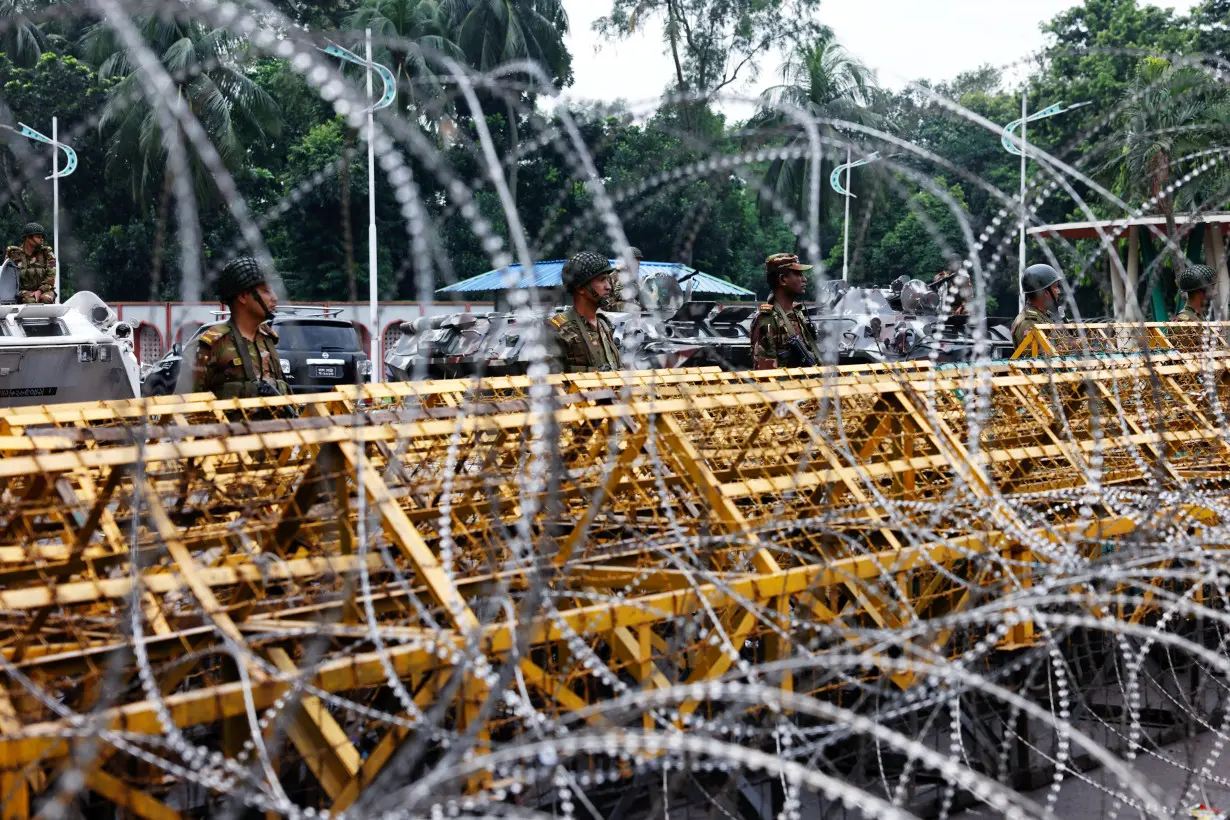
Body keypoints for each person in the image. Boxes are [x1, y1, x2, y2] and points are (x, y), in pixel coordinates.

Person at [187, 256, 289, 398]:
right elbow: (187, 406)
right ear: (243, 296)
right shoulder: (211, 345)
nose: (275, 298)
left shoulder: (268, 340)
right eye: (266, 291)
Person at [546, 251, 622, 372]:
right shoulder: (559, 328)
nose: (608, 287)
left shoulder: (603, 325)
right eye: (602, 280)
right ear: (581, 288)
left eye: (608, 280)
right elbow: (549, 383)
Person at [751, 253, 823, 369]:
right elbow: (766, 373)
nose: (804, 279)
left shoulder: (797, 313)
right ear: (783, 279)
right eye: (798, 274)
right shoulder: (767, 319)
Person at [1011, 263, 1065, 350]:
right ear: (1046, 293)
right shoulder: (1027, 322)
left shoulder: (1047, 316)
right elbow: (1037, 358)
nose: (1058, 291)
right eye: (1056, 287)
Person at [4, 222, 57, 304]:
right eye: (38, 237)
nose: (42, 239)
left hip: (44, 290)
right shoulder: (13, 253)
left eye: (42, 237)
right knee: (30, 302)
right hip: (23, 292)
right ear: (28, 238)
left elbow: (50, 278)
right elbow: (7, 278)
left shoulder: (46, 253)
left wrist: (40, 291)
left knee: (46, 299)